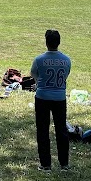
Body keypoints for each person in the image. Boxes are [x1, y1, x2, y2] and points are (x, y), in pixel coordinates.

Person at [30, 29, 72, 171]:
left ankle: (45, 164)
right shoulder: (66, 60)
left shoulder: (39, 59)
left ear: (46, 42)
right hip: (60, 97)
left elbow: (34, 73)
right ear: (59, 42)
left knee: (42, 130)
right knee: (61, 130)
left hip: (42, 96)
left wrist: (39, 83)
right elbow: (66, 75)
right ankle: (64, 164)